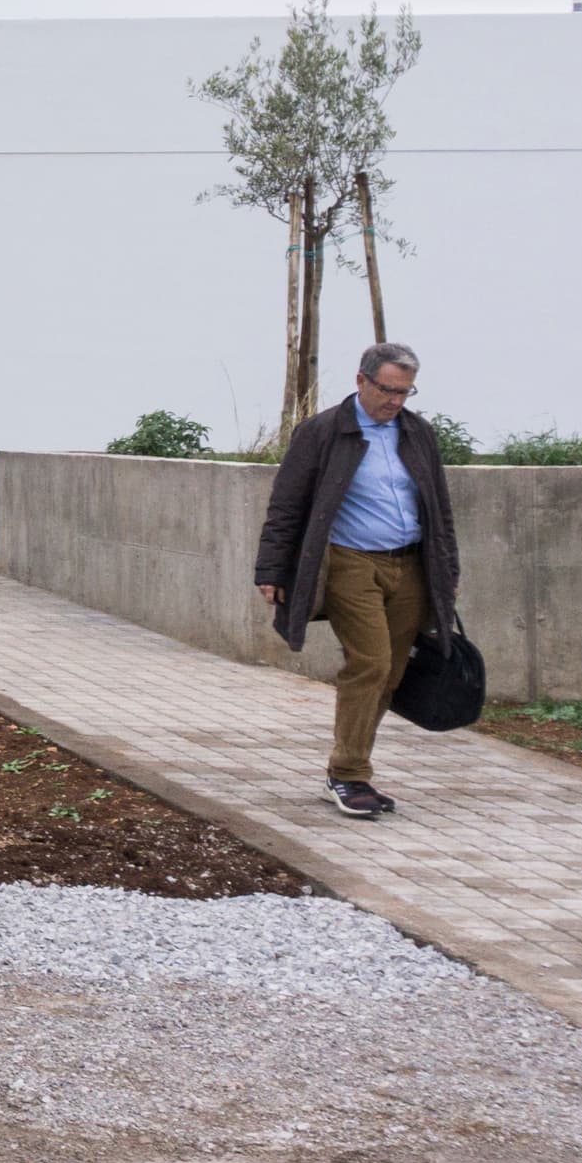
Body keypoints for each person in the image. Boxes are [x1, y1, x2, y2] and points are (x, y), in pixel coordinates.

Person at [254, 342, 462, 820]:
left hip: (409, 565)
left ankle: (351, 771)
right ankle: (348, 774)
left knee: (391, 672)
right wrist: (271, 569)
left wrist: (446, 569)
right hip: (350, 563)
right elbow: (286, 504)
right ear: (361, 381)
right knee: (369, 663)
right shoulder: (325, 431)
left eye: (405, 392)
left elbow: (439, 507)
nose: (396, 401)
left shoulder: (417, 433)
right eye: (388, 390)